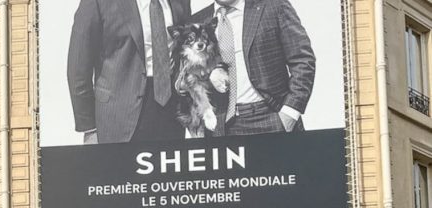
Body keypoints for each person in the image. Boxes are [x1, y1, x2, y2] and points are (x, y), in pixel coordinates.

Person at [66, 0, 192, 144]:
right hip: (118, 117)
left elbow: (186, 46)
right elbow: (78, 68)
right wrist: (89, 129)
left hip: (171, 111)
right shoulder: (99, 3)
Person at [194, 0, 316, 136]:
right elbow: (184, 76)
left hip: (271, 115)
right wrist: (209, 73)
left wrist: (290, 112)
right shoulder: (197, 21)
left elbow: (302, 60)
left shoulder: (274, 6)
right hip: (222, 125)